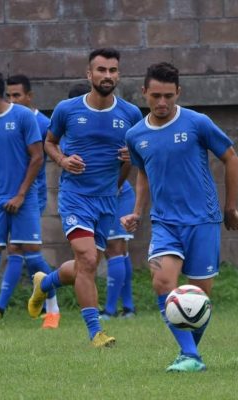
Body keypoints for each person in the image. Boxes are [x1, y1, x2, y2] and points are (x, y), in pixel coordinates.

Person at [121, 62, 238, 371]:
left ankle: (188, 354)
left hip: (203, 220)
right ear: (144, 92)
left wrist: (230, 207)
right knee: (162, 282)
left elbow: (231, 158)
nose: (162, 102)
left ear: (178, 92)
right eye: (156, 96)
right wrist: (137, 211)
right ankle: (191, 355)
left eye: (168, 95)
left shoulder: (197, 123)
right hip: (165, 223)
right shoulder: (135, 135)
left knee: (199, 296)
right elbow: (143, 174)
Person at [27, 48, 143, 347]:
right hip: (75, 196)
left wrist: (131, 157)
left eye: (112, 70)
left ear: (118, 74)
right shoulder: (67, 109)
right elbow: (49, 143)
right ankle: (96, 332)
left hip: (107, 199)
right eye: (101, 70)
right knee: (88, 258)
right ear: (89, 74)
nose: (107, 75)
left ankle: (45, 282)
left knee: (85, 267)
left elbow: (137, 156)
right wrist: (63, 160)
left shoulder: (130, 114)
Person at [0, 70, 44, 331]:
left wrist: (21, 194)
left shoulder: (23, 116)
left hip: (24, 197)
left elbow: (37, 157)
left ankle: (53, 310)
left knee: (33, 257)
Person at [0, 74, 60, 329]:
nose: (12, 100)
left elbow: (57, 149)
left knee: (26, 248)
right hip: (9, 193)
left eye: (17, 95)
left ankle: (52, 304)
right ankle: (0, 307)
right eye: (8, 95)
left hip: (32, 193)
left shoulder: (42, 123)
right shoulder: (1, 119)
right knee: (15, 249)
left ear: (29, 97)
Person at [68, 84, 137, 321]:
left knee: (115, 248)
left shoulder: (117, 120)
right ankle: (127, 307)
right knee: (113, 251)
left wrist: (114, 188)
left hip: (117, 193)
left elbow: (130, 156)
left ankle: (111, 309)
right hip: (92, 198)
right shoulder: (72, 130)